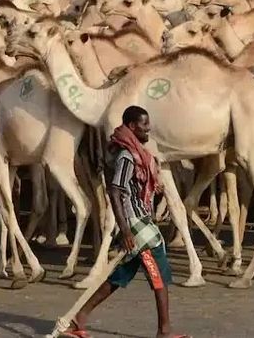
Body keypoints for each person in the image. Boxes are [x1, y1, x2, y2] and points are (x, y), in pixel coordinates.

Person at [62, 105, 188, 338]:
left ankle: (78, 318)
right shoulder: (126, 156)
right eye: (144, 124)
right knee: (158, 273)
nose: (148, 128)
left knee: (120, 275)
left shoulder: (134, 153)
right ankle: (164, 330)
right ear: (132, 126)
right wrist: (126, 230)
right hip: (136, 223)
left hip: (140, 220)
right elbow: (116, 191)